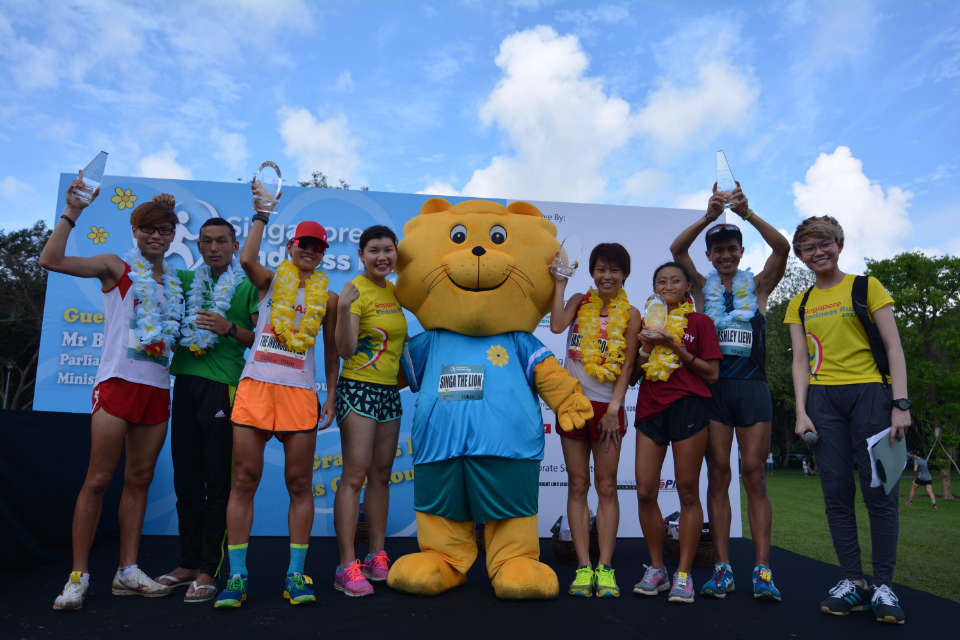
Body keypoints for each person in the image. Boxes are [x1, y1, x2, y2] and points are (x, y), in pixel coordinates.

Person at [42, 172, 182, 610]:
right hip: (117, 383)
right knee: (100, 479)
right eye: (148, 229)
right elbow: (51, 259)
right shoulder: (115, 266)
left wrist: (164, 209)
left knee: (139, 480)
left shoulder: (177, 282)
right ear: (134, 232)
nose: (157, 236)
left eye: (164, 230)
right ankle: (78, 578)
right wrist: (73, 211)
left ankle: (127, 571)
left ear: (173, 235)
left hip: (157, 388)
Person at [213, 183, 339, 608]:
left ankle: (295, 575)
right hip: (256, 387)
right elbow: (245, 258)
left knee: (299, 483)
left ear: (323, 253)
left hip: (300, 393)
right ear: (291, 246)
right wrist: (262, 214)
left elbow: (333, 349)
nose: (310, 251)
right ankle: (237, 577)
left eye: (318, 247)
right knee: (245, 479)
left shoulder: (330, 297)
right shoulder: (269, 280)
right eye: (304, 243)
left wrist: (332, 392)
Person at [785, 215, 910, 625]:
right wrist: (801, 410)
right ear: (801, 255)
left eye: (824, 244)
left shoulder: (866, 286)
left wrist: (900, 404)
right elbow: (800, 361)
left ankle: (884, 586)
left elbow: (893, 347)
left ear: (839, 244)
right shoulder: (799, 303)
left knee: (880, 493)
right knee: (836, 495)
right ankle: (853, 582)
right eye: (808, 247)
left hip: (871, 396)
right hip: (823, 402)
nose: (817, 252)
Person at [670, 182, 788, 601]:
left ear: (740, 251)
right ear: (710, 256)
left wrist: (747, 213)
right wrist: (708, 214)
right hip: (714, 392)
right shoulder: (701, 290)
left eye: (730, 249)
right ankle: (722, 568)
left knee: (754, 476)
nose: (724, 255)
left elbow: (782, 248)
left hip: (752, 390)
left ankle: (763, 570)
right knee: (717, 477)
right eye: (717, 250)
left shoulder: (757, 287)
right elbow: (675, 250)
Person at [154, 218, 259, 603]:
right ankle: (186, 562)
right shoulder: (184, 280)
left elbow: (259, 339)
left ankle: (209, 570)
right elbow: (152, 264)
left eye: (221, 242)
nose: (213, 248)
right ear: (198, 245)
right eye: (207, 241)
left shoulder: (246, 285)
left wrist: (228, 328)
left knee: (217, 483)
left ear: (234, 246)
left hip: (223, 388)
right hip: (184, 383)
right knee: (186, 479)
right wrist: (164, 217)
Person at [548, 243, 641, 598]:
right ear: (592, 273)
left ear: (625, 275)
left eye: (614, 270)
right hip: (573, 406)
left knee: (606, 486)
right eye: (601, 269)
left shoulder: (631, 314)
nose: (607, 276)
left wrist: (616, 409)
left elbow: (629, 364)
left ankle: (605, 567)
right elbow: (556, 325)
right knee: (576, 485)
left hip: (607, 410)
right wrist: (559, 283)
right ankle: (583, 567)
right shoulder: (577, 301)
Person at [631, 262, 721, 604]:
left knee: (687, 491)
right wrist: (646, 347)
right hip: (651, 407)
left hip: (688, 407)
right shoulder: (645, 323)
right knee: (643, 491)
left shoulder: (700, 323)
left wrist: (673, 344)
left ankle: (683, 573)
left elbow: (711, 374)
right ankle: (657, 569)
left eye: (675, 281)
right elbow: (637, 374)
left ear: (687, 288)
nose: (668, 285)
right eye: (661, 281)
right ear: (655, 288)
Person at [332, 225, 407, 597]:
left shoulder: (393, 290)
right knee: (355, 475)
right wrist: (344, 308)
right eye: (374, 250)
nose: (382, 257)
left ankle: (378, 554)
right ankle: (347, 564)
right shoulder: (355, 291)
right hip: (358, 390)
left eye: (388, 250)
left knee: (381, 474)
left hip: (389, 394)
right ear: (361, 254)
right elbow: (344, 350)